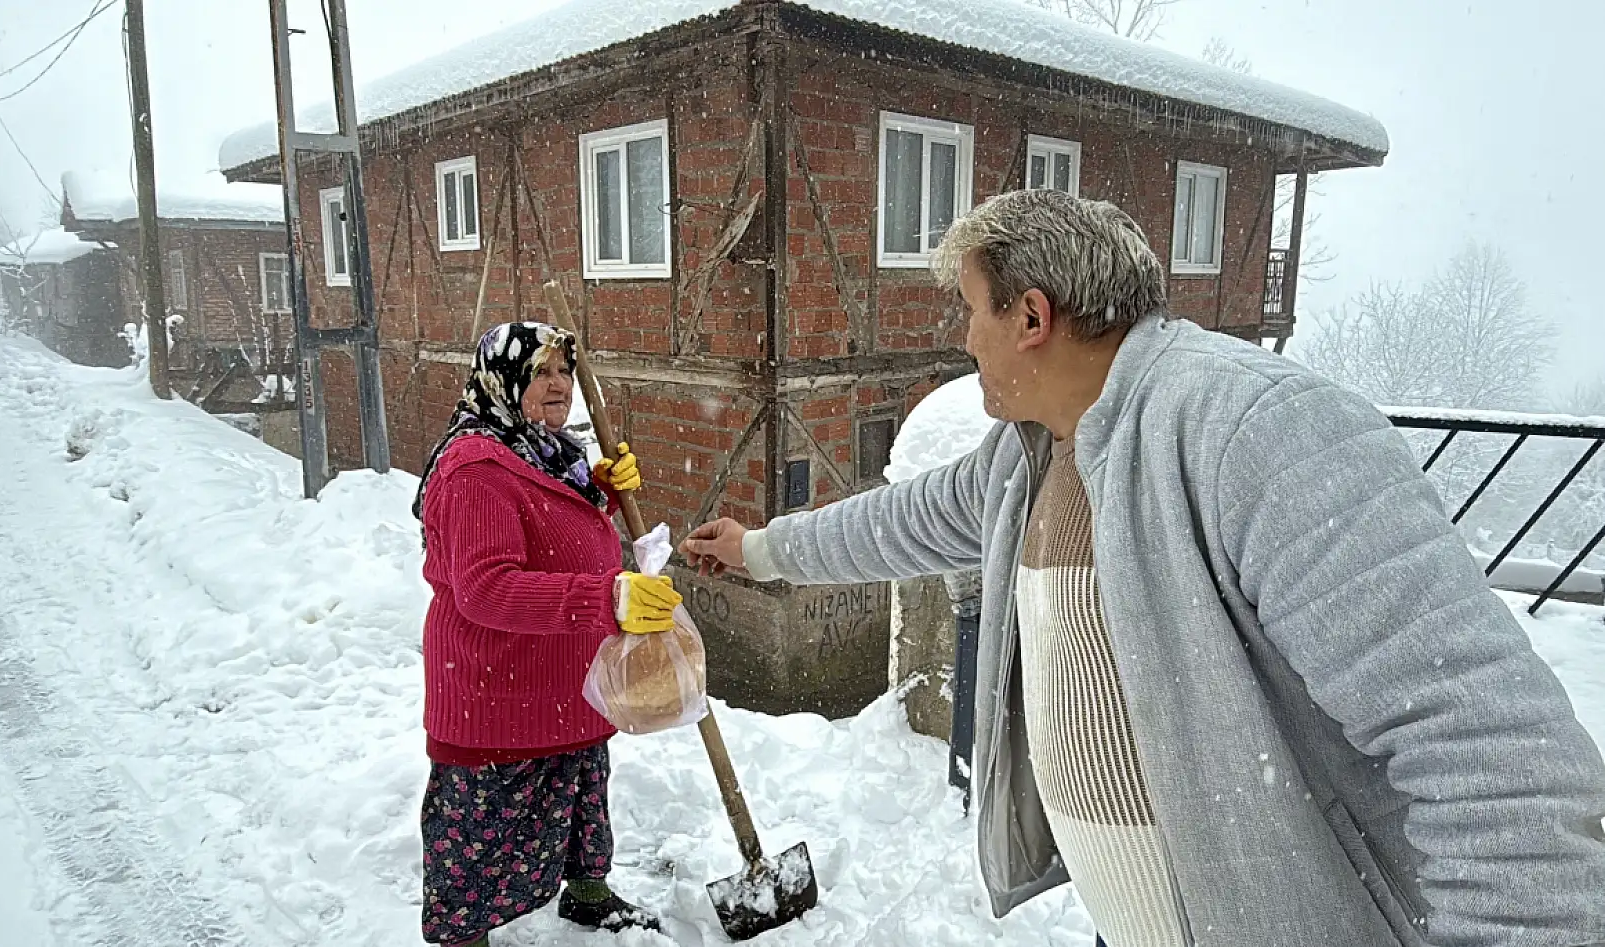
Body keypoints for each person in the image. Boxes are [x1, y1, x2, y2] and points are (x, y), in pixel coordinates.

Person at [681, 188, 1605, 946]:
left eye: (971, 310)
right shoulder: (1034, 451)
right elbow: (904, 520)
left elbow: (1501, 765)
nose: (963, 339)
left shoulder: (1255, 430)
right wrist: (761, 548)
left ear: (1032, 316)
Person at [412, 321, 681, 947]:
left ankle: (587, 893)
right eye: (540, 372)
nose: (559, 384)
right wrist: (605, 597)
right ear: (502, 382)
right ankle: (464, 935)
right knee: (483, 823)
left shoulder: (543, 449)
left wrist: (600, 494)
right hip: (497, 684)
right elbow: (486, 589)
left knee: (583, 785)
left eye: (564, 370)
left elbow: (548, 528)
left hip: (559, 675)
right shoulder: (474, 469)